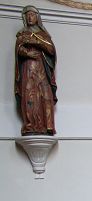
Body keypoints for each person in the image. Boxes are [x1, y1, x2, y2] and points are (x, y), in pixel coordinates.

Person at [14, 5, 57, 136]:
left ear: (37, 17)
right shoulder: (22, 34)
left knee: (45, 95)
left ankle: (47, 126)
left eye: (32, 15)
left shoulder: (44, 35)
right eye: (27, 15)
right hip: (28, 68)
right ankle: (31, 126)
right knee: (29, 95)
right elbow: (18, 49)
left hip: (41, 68)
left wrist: (36, 42)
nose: (29, 18)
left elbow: (51, 50)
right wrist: (27, 53)